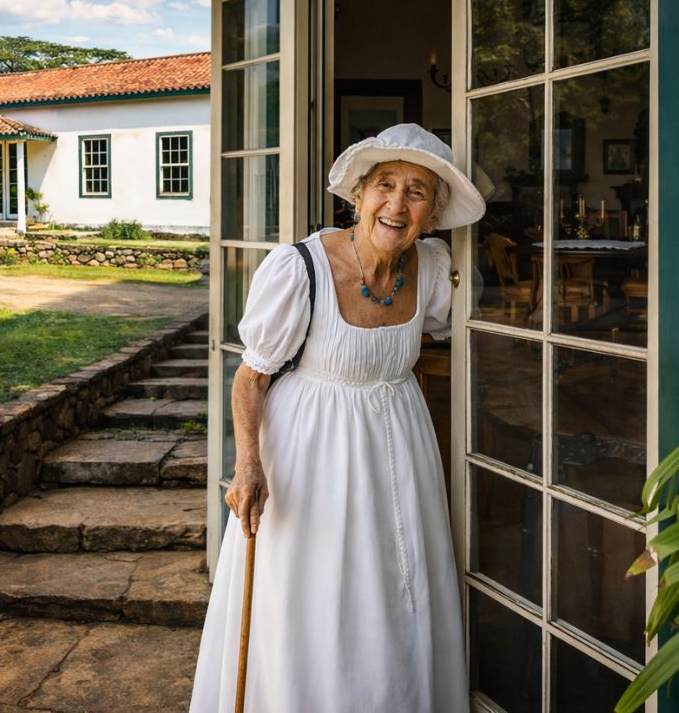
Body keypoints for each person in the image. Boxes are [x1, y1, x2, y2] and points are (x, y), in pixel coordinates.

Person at [189, 123, 486, 713]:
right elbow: (251, 377)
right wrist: (247, 466)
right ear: (358, 194)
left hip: (401, 445)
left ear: (432, 213)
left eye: (417, 192)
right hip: (311, 454)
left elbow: (456, 333)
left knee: (399, 589)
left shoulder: (432, 268)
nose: (396, 205)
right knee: (317, 595)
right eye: (385, 185)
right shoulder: (300, 267)